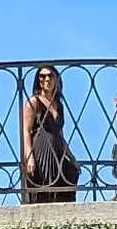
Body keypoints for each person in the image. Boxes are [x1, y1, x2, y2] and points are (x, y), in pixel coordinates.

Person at [21, 63, 81, 202]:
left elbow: (60, 135)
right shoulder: (33, 102)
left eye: (50, 76)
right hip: (41, 150)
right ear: (38, 80)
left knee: (67, 177)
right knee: (44, 188)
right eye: (42, 76)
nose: (46, 79)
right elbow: (26, 130)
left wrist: (72, 158)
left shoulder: (59, 105)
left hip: (57, 151)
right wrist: (29, 157)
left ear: (56, 80)